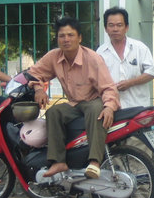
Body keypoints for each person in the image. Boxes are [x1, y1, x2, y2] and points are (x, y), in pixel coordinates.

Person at [27, 17, 120, 179]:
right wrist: (38, 89)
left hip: (93, 100)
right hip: (74, 103)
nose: (66, 39)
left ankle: (95, 162)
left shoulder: (92, 58)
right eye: (62, 36)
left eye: (70, 35)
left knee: (95, 110)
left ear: (79, 38)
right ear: (57, 39)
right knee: (53, 112)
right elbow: (34, 73)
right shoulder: (53, 57)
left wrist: (109, 107)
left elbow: (108, 87)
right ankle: (58, 161)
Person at [96, 6, 154, 109]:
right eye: (111, 25)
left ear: (126, 27)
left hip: (138, 106)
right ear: (106, 29)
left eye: (119, 25)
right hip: (113, 108)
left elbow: (152, 72)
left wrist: (131, 83)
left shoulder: (139, 48)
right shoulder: (100, 52)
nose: (115, 29)